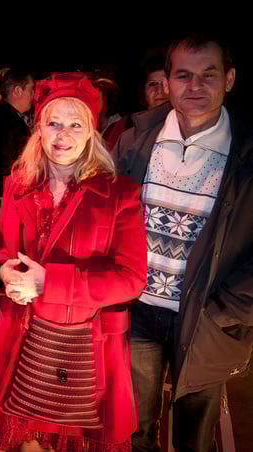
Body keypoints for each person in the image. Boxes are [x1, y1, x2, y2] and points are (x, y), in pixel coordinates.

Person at [0, 73, 147, 452]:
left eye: (76, 125)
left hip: (86, 345)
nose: (63, 135)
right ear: (38, 128)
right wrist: (1, 271)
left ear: (91, 131)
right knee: (26, 441)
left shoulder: (119, 194)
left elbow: (132, 279)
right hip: (25, 337)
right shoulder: (18, 185)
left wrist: (49, 283)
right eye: (54, 123)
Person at [115, 34, 252, 452]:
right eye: (183, 76)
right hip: (139, 310)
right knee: (135, 432)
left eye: (208, 75)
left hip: (207, 319)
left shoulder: (246, 153)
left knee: (195, 439)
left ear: (229, 79)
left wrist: (227, 310)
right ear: (168, 81)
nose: (195, 86)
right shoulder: (136, 138)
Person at [0, 71, 34, 237]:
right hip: (3, 199)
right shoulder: (6, 121)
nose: (33, 95)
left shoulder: (6, 117)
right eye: (30, 89)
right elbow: (1, 162)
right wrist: (5, 199)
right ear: (17, 90)